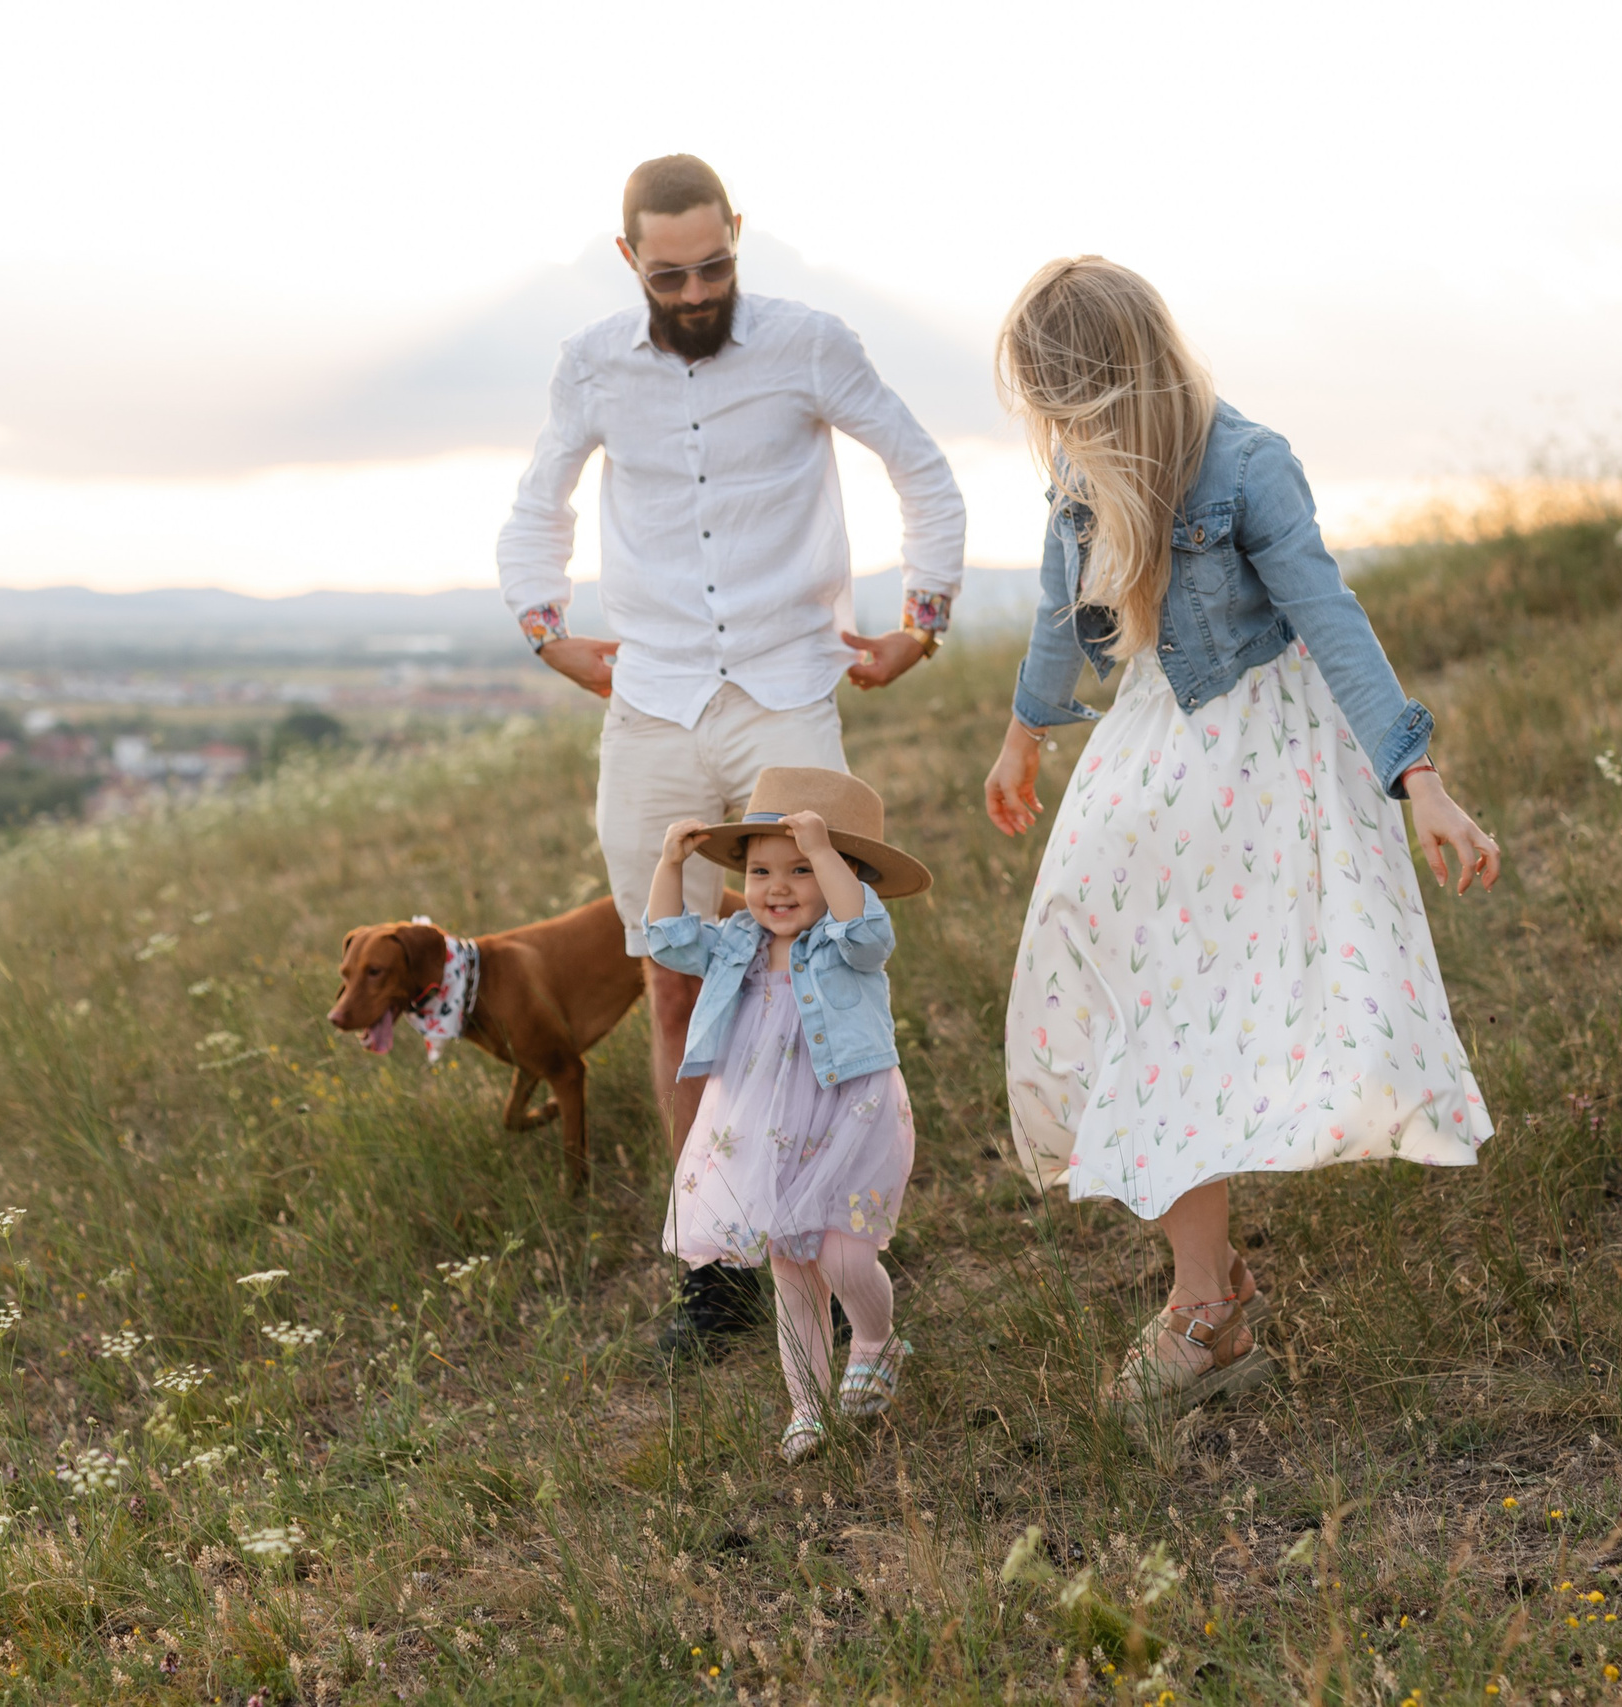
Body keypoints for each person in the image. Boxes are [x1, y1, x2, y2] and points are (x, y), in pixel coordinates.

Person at [983, 257, 1503, 1415]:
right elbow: (1055, 612)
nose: (1059, 432)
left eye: (1068, 405)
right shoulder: (1078, 473)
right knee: (1099, 962)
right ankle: (1207, 1293)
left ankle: (1200, 1309)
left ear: (1114, 381)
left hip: (1265, 759)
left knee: (1193, 1008)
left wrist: (1418, 779)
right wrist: (1024, 733)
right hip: (1152, 746)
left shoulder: (1249, 464)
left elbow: (1332, 618)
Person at [497, 154, 966, 1357]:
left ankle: (836, 1218)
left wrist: (921, 620)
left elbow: (918, 464)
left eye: (714, 266)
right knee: (672, 979)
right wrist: (547, 630)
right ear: (628, 261)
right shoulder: (593, 364)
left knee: (813, 970)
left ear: (737, 240)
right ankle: (715, 1266)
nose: (696, 290)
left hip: (786, 691)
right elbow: (538, 500)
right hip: (650, 703)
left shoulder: (811, 344)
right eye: (671, 273)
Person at [644, 768, 929, 1463]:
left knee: (843, 1254)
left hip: (850, 1115)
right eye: (762, 868)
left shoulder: (845, 943)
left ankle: (874, 1339)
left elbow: (868, 931)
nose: (778, 886)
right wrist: (669, 864)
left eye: (802, 869)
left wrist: (825, 854)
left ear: (845, 874)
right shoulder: (737, 943)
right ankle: (807, 1403)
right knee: (792, 1269)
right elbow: (666, 941)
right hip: (768, 1128)